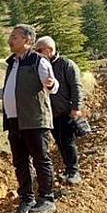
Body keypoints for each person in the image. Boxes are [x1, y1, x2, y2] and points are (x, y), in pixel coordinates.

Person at [0, 24, 59, 213]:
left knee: (41, 160)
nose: (10, 40)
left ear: (27, 40)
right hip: (15, 122)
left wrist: (52, 84)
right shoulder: (13, 63)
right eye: (11, 36)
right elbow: (9, 91)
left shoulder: (38, 61)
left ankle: (46, 199)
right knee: (20, 162)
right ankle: (27, 200)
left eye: (14, 37)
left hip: (35, 120)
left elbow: (52, 85)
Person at [34, 36, 84, 185]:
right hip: (48, 113)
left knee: (67, 142)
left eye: (39, 50)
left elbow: (76, 87)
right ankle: (68, 170)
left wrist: (76, 108)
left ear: (49, 50)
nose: (36, 53)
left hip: (64, 111)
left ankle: (73, 171)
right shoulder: (40, 66)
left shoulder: (66, 65)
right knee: (59, 142)